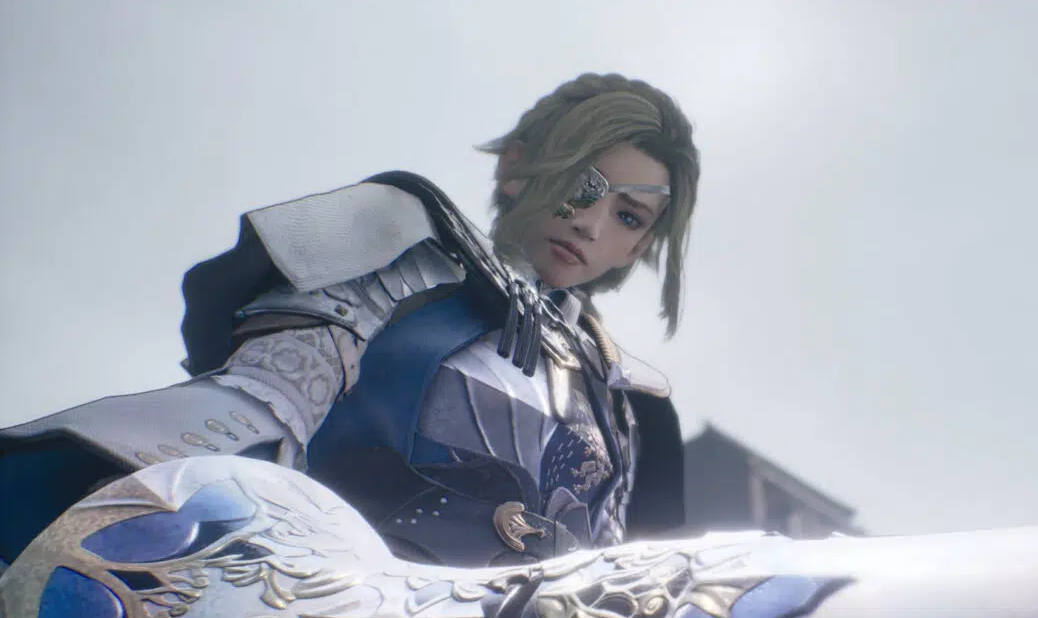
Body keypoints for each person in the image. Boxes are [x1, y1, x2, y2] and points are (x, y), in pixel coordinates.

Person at [0, 72, 699, 568]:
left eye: (628, 216)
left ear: (639, 247)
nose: (590, 222)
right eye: (583, 185)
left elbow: (624, 568)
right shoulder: (408, 254)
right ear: (517, 166)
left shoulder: (624, 400)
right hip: (330, 593)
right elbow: (263, 408)